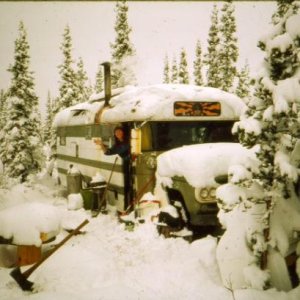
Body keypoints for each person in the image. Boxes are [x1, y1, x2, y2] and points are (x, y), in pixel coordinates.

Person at [94, 126, 132, 210]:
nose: (118, 134)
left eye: (119, 132)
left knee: (130, 185)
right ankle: (127, 205)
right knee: (126, 186)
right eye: (116, 132)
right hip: (124, 167)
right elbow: (108, 152)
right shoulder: (117, 145)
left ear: (123, 132)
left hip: (132, 165)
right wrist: (101, 145)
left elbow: (127, 151)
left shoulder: (129, 141)